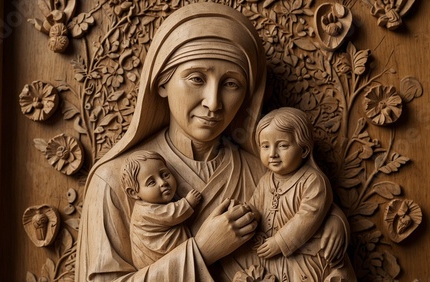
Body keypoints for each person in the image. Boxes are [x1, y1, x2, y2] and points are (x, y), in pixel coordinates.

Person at [76, 3, 350, 281]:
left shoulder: (261, 171)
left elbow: (307, 216)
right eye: (196, 78)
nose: (213, 102)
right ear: (162, 82)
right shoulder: (113, 180)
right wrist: (202, 251)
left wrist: (333, 221)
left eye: (231, 84)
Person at [245, 107, 355, 281]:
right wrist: (244, 212)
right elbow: (255, 207)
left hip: (306, 257)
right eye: (265, 146)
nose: (272, 153)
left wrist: (280, 242)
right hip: (276, 259)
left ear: (303, 149)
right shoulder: (266, 181)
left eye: (282, 145)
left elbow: (308, 217)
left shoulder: (313, 181)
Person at [120, 150, 202, 269]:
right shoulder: (144, 211)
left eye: (165, 174)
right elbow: (171, 214)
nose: (163, 182)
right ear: (133, 193)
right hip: (156, 260)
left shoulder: (150, 205)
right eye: (151, 182)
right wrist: (188, 202)